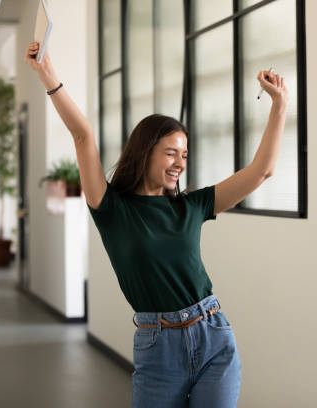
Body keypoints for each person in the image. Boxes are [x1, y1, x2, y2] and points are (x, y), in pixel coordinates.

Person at [25, 41, 288, 408]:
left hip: (213, 335)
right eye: (170, 152)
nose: (180, 162)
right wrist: (48, 75)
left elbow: (262, 171)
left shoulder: (193, 206)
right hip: (157, 346)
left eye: (184, 154)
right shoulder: (111, 207)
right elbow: (83, 135)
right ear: (145, 151)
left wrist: (279, 104)